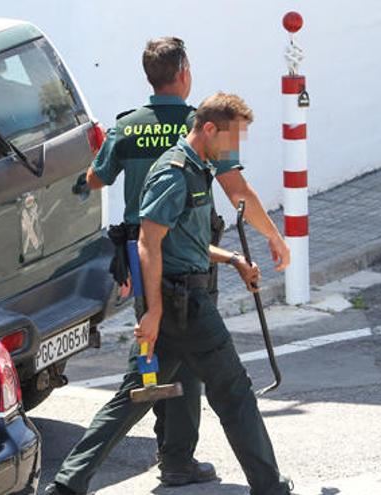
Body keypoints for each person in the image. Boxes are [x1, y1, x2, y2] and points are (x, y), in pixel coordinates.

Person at [45, 93, 293, 495]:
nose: (234, 150)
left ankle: (67, 484)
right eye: (232, 139)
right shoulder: (174, 174)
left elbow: (186, 241)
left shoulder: (196, 170)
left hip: (178, 301)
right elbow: (148, 242)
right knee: (234, 392)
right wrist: (155, 312)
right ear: (209, 129)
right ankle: (269, 487)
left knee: (131, 398)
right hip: (184, 304)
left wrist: (233, 260)